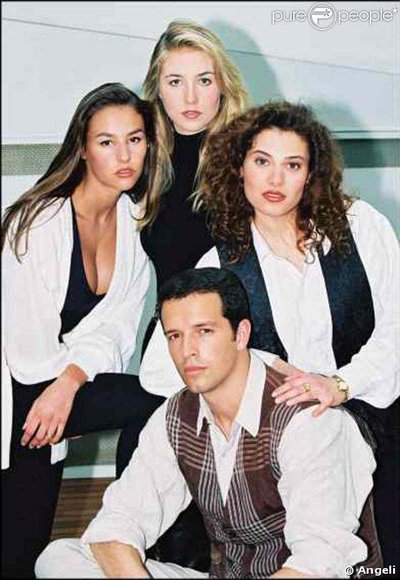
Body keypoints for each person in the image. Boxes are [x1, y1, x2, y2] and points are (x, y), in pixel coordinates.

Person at [140, 101, 400, 567]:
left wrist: (339, 384)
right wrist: (264, 370)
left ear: (310, 174)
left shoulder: (362, 226)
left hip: (376, 411)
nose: (275, 179)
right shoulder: (221, 265)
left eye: (292, 165)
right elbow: (157, 370)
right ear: (239, 168)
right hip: (286, 440)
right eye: (262, 161)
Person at [35, 268, 382, 579]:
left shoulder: (308, 420)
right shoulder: (175, 416)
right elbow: (117, 524)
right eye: (175, 336)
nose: (188, 350)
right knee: (60, 558)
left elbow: (320, 562)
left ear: (241, 334)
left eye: (203, 331)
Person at [1, 82, 166, 578]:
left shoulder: (132, 223)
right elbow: (26, 352)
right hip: (17, 392)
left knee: (158, 401)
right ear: (83, 148)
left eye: (134, 139)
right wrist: (65, 387)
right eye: (107, 142)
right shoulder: (37, 222)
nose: (124, 155)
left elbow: (117, 329)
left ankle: (125, 534)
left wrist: (70, 382)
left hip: (57, 391)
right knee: (17, 555)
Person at [114, 19, 250, 570]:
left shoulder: (247, 154)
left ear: (222, 86)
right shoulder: (146, 159)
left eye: (203, 80)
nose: (190, 98)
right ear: (157, 90)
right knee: (142, 456)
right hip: (170, 336)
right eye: (175, 82)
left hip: (241, 334)